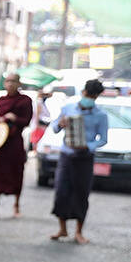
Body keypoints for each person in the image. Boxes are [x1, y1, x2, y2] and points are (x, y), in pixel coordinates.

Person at [49, 79, 108, 244]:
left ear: (96, 97)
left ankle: (79, 232)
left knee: (81, 193)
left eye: (93, 96)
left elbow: (103, 139)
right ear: (83, 92)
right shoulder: (68, 108)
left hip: (84, 158)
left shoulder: (100, 116)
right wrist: (60, 124)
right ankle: (62, 229)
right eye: (87, 94)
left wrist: (88, 146)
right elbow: (54, 127)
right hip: (66, 156)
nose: (89, 98)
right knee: (62, 192)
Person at [0, 72, 33, 219]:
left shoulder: (25, 100)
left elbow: (27, 120)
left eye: (13, 81)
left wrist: (15, 118)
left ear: (19, 84)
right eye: (8, 81)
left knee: (16, 173)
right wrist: (0, 120)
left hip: (14, 142)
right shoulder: (1, 100)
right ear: (4, 84)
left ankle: (16, 206)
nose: (10, 84)